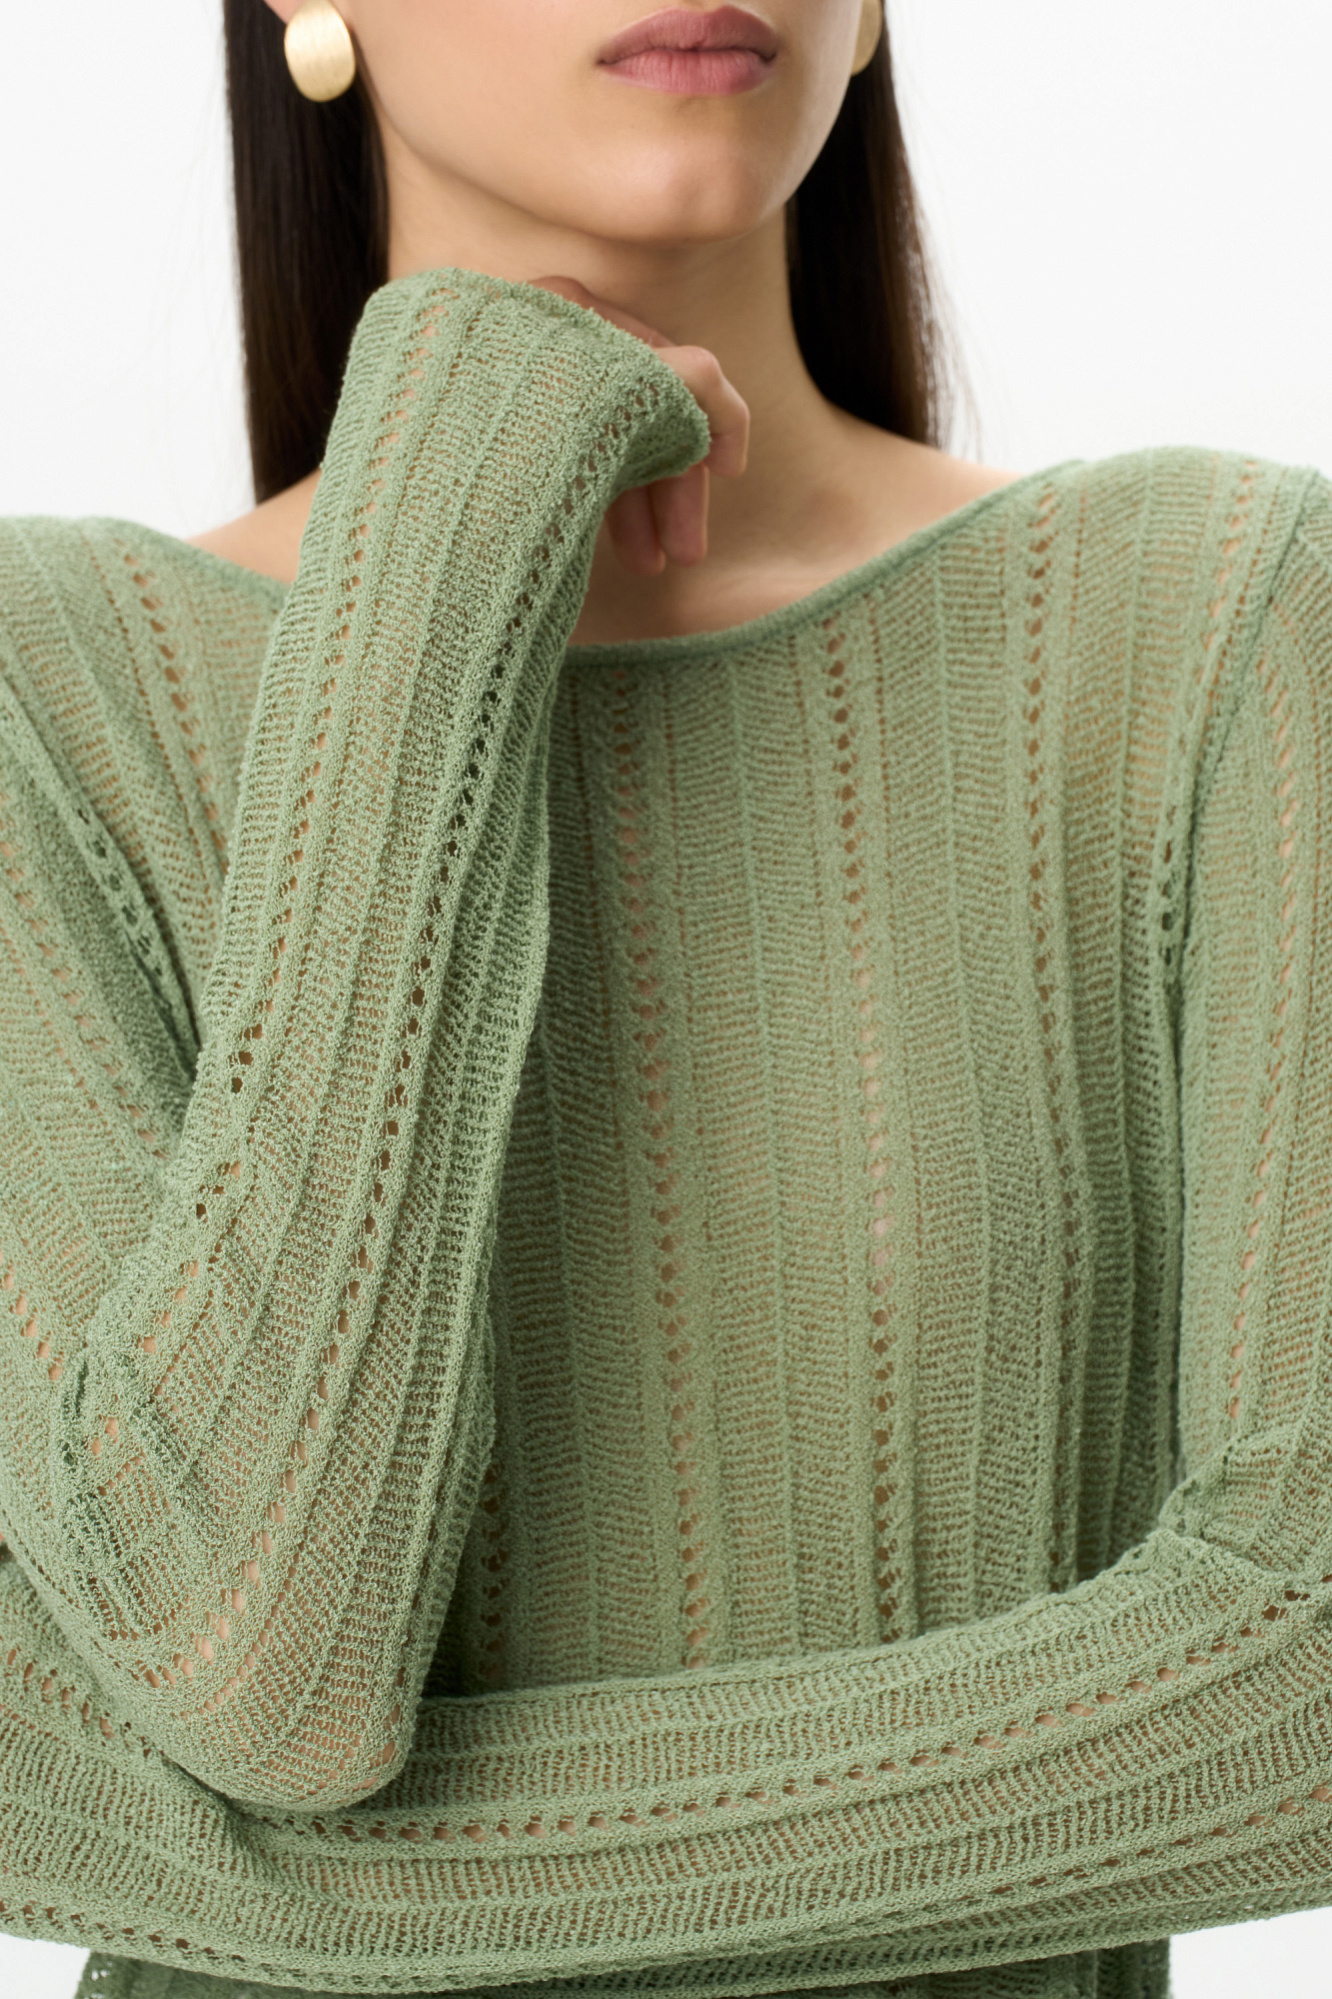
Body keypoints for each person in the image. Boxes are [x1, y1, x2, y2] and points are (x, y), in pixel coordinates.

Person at [0, 4, 1329, 1997]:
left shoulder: (1216, 623)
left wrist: (299, 1896)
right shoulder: (45, 694)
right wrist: (452, 523)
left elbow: (1303, 1681)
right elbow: (248, 1658)